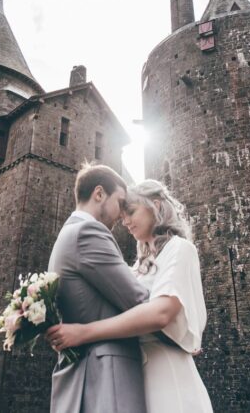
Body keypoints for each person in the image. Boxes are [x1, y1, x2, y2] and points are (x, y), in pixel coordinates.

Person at [47, 180, 213, 413]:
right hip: (134, 377)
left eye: (131, 212)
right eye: (123, 215)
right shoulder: (137, 267)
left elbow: (161, 313)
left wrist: (83, 333)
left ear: (155, 206)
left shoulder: (180, 249)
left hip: (167, 374)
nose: (124, 221)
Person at [48, 164, 150, 413]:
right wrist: (178, 323)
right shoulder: (88, 231)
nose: (122, 215)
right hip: (107, 374)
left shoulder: (67, 233)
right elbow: (138, 300)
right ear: (99, 194)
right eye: (120, 203)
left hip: (87, 375)